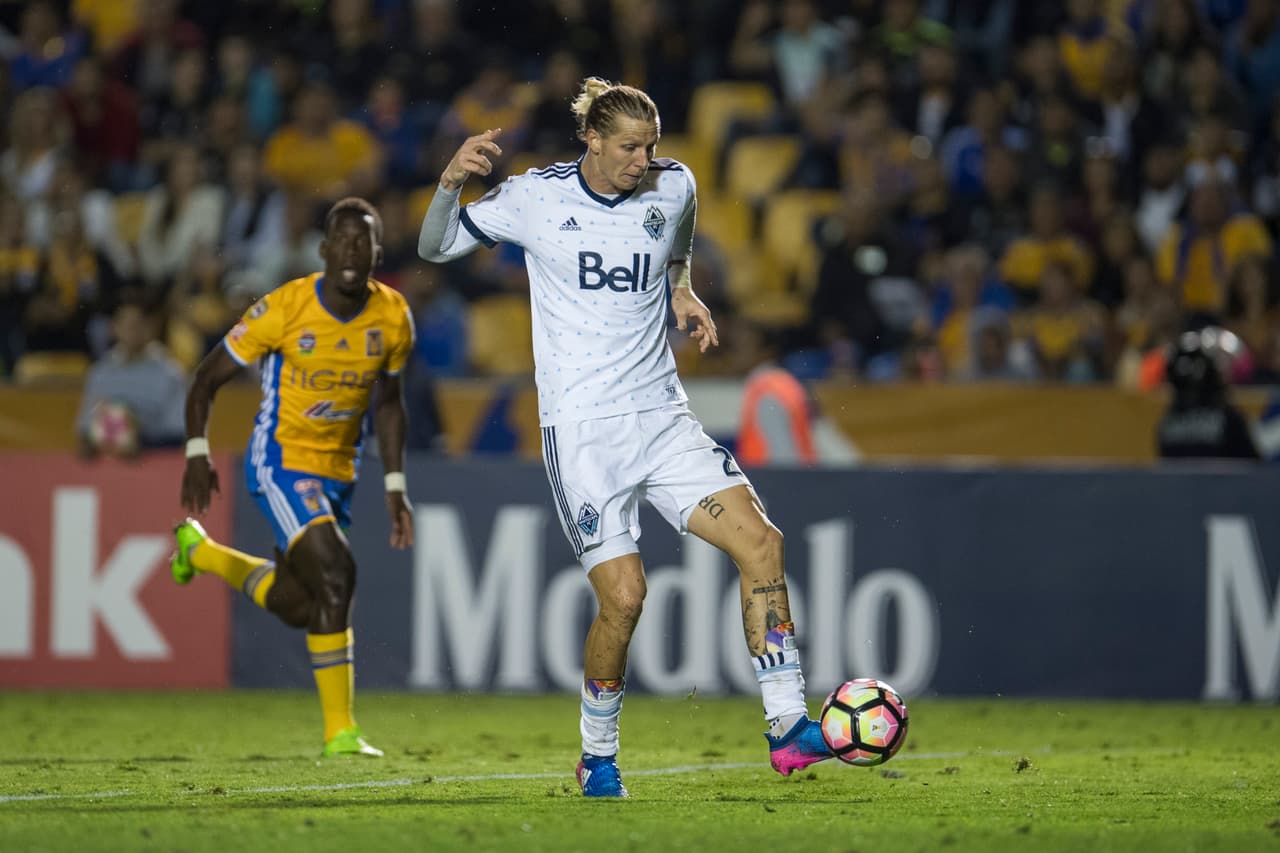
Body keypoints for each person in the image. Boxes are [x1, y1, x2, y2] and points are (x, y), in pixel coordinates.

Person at [418, 77, 834, 798]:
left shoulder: (672, 185)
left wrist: (682, 282)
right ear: (593, 141)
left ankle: (789, 724)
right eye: (631, 148)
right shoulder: (537, 198)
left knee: (762, 542)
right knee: (626, 598)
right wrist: (450, 184)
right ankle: (597, 752)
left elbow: (684, 223)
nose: (646, 161)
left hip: (662, 418)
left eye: (652, 146)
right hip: (584, 434)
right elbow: (436, 246)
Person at [173, 197, 416, 757]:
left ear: (379, 252)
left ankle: (201, 553)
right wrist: (196, 449)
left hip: (340, 471)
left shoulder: (394, 316)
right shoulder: (284, 309)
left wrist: (396, 485)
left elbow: (390, 404)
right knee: (338, 572)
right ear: (325, 250)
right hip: (281, 461)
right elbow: (206, 378)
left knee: (302, 603)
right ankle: (341, 733)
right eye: (344, 241)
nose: (353, 251)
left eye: (365, 242)